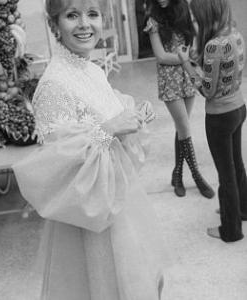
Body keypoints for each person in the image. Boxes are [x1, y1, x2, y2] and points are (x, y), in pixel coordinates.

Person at [13, 0, 169, 299]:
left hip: (117, 199)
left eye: (93, 14)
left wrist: (131, 110)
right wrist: (109, 129)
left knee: (142, 280)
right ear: (55, 24)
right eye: (72, 15)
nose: (85, 24)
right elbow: (59, 170)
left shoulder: (89, 68)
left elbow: (101, 110)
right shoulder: (53, 86)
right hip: (91, 220)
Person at [178, 0, 247, 242]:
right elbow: (223, 73)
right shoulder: (234, 33)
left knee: (225, 174)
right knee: (237, 165)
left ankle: (231, 230)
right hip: (239, 107)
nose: (194, 22)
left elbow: (208, 90)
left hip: (220, 116)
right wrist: (198, 60)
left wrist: (186, 63)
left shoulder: (213, 46)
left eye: (196, 17)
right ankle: (242, 210)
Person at [145, 0, 215, 199]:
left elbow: (193, 45)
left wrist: (190, 58)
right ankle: (197, 176)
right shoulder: (153, 20)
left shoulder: (186, 13)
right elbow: (161, 56)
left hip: (187, 76)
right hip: (170, 80)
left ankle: (177, 174)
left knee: (181, 128)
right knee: (184, 127)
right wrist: (186, 59)